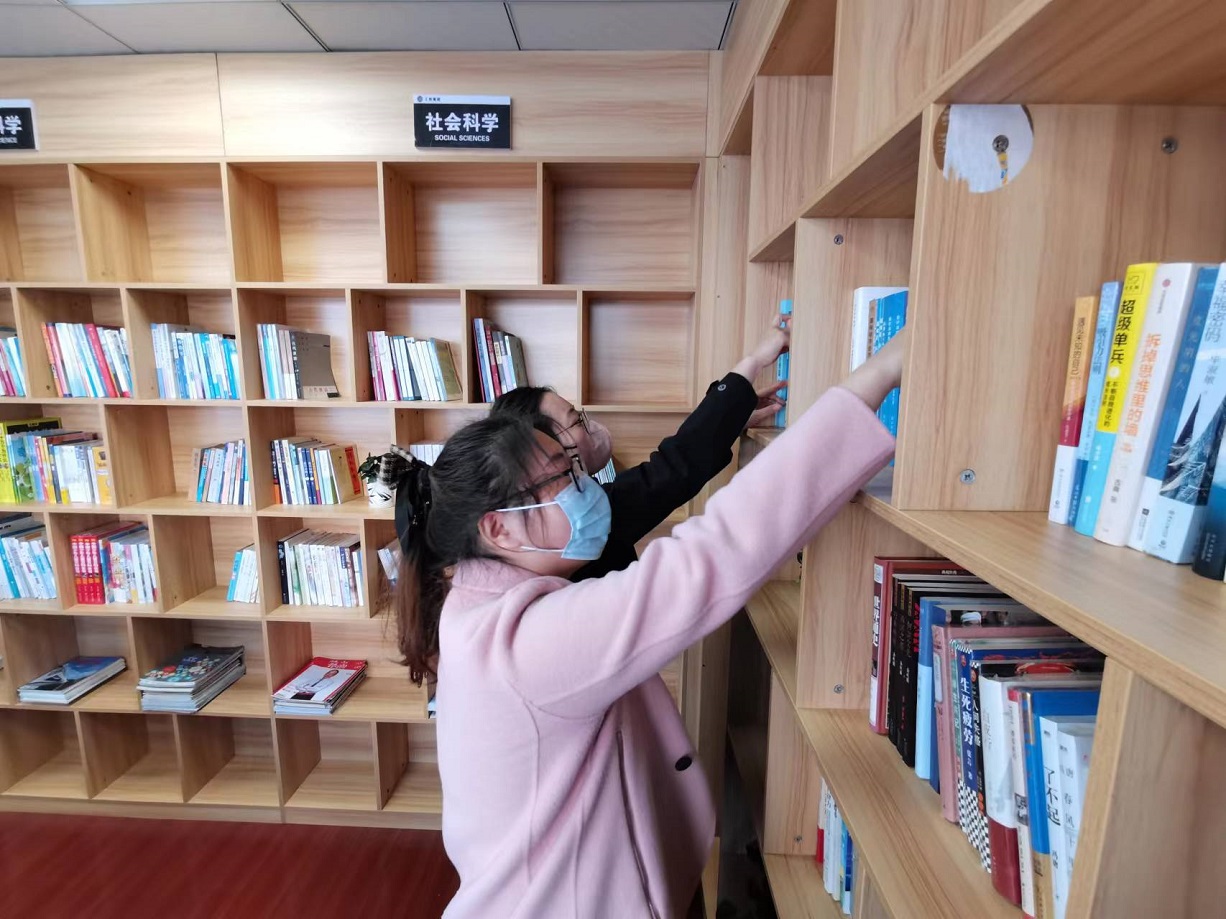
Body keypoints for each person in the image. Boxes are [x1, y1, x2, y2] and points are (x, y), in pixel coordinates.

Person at [392, 328, 906, 919]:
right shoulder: (528, 642)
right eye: (565, 478)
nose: (587, 488)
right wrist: (879, 374)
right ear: (500, 529)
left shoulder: (470, 599)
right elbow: (716, 553)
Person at [489, 318, 792, 580]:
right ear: (544, 448)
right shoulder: (578, 519)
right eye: (575, 420)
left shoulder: (566, 512)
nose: (588, 425)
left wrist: (733, 416)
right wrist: (753, 361)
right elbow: (674, 468)